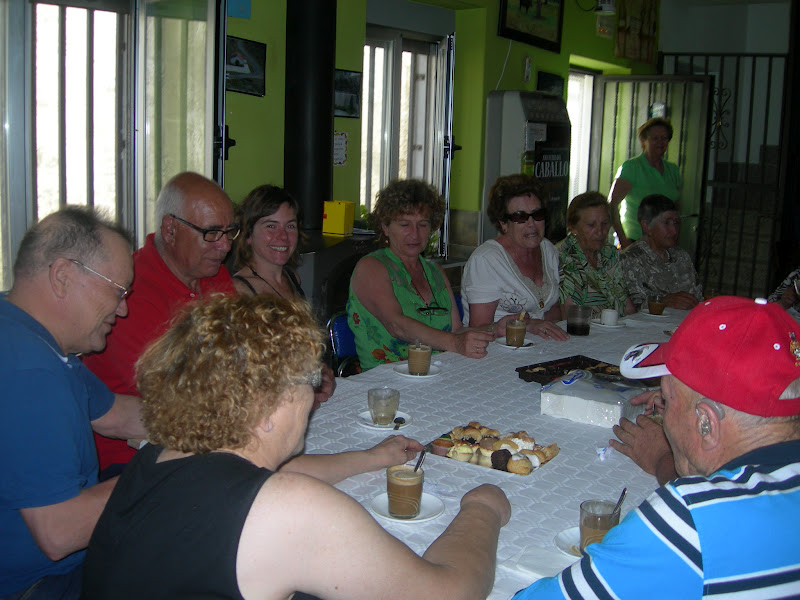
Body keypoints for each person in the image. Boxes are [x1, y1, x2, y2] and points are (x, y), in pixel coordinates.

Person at [81, 295, 511, 600]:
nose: (313, 396)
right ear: (267, 407)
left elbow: (266, 480)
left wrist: (370, 458)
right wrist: (483, 509)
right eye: (308, 380)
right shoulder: (288, 509)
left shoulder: (158, 456)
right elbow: (446, 593)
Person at [514, 296, 800, 599]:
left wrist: (485, 512)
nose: (663, 413)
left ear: (706, 422)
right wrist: (670, 451)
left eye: (666, 399)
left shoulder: (693, 522)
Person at [0, 207, 145, 600]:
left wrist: (212, 420)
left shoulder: (28, 333)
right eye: (118, 290)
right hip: (37, 585)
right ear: (63, 276)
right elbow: (59, 532)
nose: (123, 308)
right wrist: (167, 471)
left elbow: (117, 416)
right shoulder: (29, 370)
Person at [82, 171, 240, 473]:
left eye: (229, 232)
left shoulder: (213, 273)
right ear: (170, 230)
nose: (225, 247)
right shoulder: (130, 289)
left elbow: (240, 355)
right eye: (211, 233)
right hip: (132, 462)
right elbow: (180, 393)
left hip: (202, 437)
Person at [348, 179, 494, 370]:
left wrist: (496, 329)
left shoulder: (435, 272)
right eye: (404, 224)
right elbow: (396, 325)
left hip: (438, 371)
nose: (415, 234)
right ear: (385, 227)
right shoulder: (371, 267)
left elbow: (456, 330)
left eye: (423, 225)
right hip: (387, 378)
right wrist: (455, 343)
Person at [231, 184, 336, 401]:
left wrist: (322, 373)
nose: (283, 236)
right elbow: (245, 373)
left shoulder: (292, 279)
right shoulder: (239, 292)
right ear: (248, 234)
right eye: (271, 226)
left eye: (290, 226)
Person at [461, 174, 568, 341]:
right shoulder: (486, 260)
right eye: (520, 217)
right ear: (504, 224)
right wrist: (528, 325)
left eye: (537, 214)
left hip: (538, 347)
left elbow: (553, 313)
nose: (531, 224)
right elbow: (479, 330)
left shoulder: (549, 251)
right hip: (495, 348)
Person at [558, 191, 635, 318]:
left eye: (604, 223)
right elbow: (570, 316)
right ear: (573, 228)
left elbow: (628, 306)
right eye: (591, 225)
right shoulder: (562, 258)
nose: (600, 232)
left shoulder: (610, 254)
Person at [608, 118, 682, 248]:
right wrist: (624, 241)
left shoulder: (673, 170)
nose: (660, 142)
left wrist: (675, 237)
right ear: (643, 140)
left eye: (664, 138)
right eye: (655, 138)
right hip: (636, 241)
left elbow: (677, 208)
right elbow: (611, 205)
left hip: (664, 243)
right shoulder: (631, 167)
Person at [620, 194, 702, 310]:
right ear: (646, 226)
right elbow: (630, 310)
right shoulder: (629, 260)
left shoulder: (682, 256)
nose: (674, 231)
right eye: (667, 223)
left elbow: (698, 298)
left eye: (676, 222)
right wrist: (663, 302)